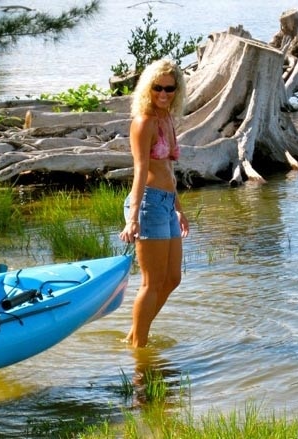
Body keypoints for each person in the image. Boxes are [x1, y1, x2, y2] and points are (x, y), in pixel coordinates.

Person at [119, 59, 189, 348]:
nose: (163, 94)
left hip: (166, 203)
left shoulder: (167, 118)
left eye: (169, 88)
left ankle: (136, 334)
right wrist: (132, 217)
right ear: (148, 88)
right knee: (151, 283)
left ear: (177, 89)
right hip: (147, 204)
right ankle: (139, 345)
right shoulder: (144, 122)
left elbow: (168, 171)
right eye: (157, 87)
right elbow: (140, 169)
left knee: (172, 278)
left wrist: (179, 208)